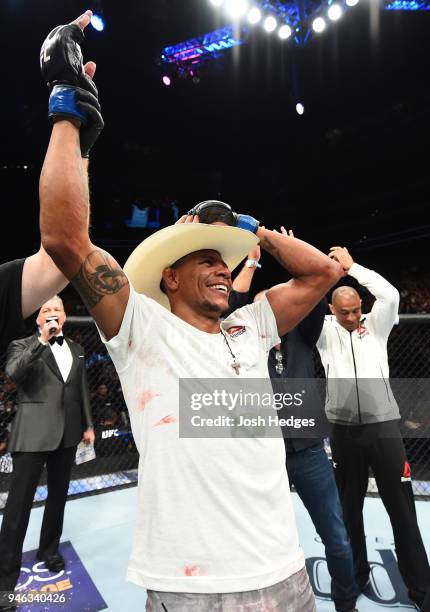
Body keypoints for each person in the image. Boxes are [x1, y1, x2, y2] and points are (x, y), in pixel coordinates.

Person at [38, 10, 344, 609]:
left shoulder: (251, 325)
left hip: (285, 572)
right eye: (205, 259)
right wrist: (68, 110)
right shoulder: (140, 328)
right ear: (169, 276)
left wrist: (248, 226)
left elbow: (324, 273)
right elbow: (65, 241)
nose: (221, 268)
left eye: (224, 260)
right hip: (191, 587)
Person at [229, 230, 359, 612]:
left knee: (336, 537)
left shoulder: (303, 332)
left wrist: (286, 248)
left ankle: (346, 605)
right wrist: (251, 261)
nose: (267, 311)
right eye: (259, 308)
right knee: (253, 540)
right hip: (257, 452)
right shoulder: (241, 340)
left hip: (307, 452)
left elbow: (315, 281)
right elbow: (232, 303)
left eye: (274, 305)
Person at [316, 246, 430, 610]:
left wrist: (352, 268)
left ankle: (422, 592)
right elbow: (296, 302)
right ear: (332, 310)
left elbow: (391, 295)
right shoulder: (323, 330)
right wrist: (324, 272)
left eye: (355, 311)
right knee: (347, 513)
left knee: (403, 512)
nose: (352, 317)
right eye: (344, 312)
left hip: (383, 429)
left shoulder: (375, 324)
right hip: (343, 430)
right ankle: (355, 577)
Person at [0, 296, 94, 611]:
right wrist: (42, 341)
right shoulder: (21, 344)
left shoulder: (77, 348)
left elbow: (81, 388)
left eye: (58, 309)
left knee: (58, 498)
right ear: (39, 319)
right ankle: (4, 582)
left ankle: (48, 551)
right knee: (17, 510)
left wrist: (88, 424)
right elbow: (14, 373)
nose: (53, 313)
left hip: (68, 434)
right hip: (33, 434)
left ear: (65, 316)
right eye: (46, 310)